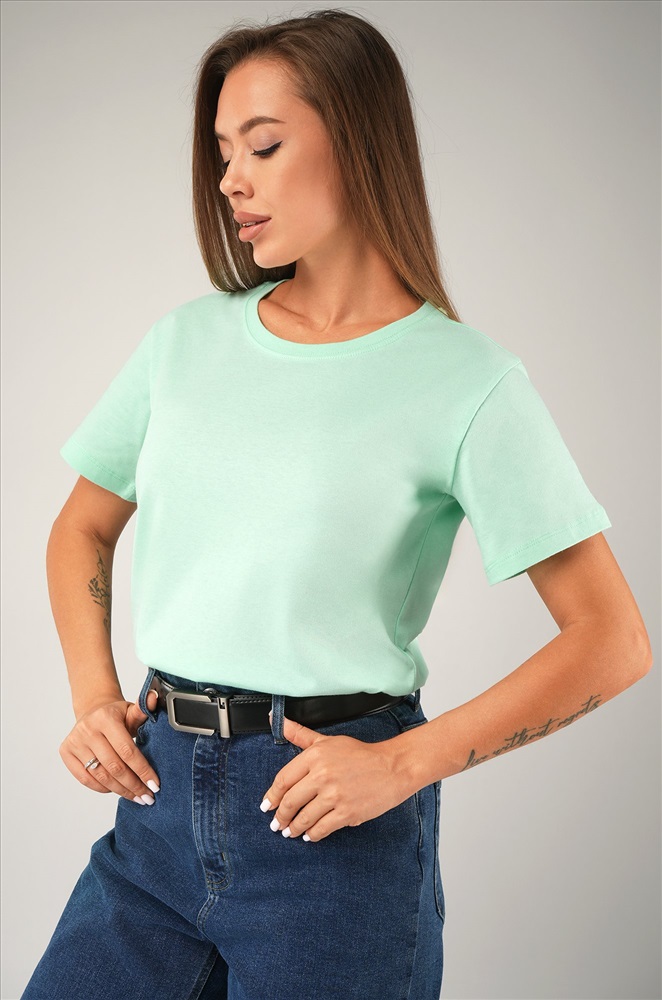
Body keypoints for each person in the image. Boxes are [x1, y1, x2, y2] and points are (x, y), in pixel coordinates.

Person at [22, 8, 652, 1000]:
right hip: (154, 812)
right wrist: (91, 695)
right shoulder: (183, 345)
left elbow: (611, 640)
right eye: (223, 153)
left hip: (331, 835)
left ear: (355, 139)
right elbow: (81, 526)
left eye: (263, 145)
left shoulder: (467, 381)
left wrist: (402, 764)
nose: (231, 179)